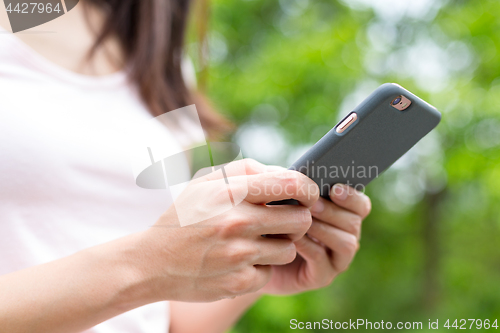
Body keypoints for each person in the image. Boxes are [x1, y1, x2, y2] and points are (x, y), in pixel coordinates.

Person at [0, 1, 372, 332]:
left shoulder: (160, 57)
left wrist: (260, 260)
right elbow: (153, 266)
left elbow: (171, 318)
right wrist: (147, 265)